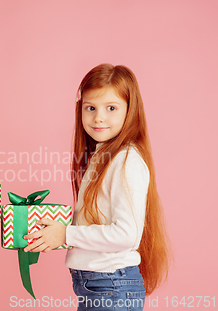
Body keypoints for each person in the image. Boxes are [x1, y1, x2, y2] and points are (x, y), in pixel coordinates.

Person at [24, 64, 170, 310]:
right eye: (90, 108)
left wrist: (66, 234)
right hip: (100, 283)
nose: (98, 117)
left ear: (130, 111)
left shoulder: (126, 160)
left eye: (111, 108)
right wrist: (51, 227)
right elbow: (96, 220)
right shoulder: (103, 157)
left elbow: (126, 234)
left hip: (110, 284)